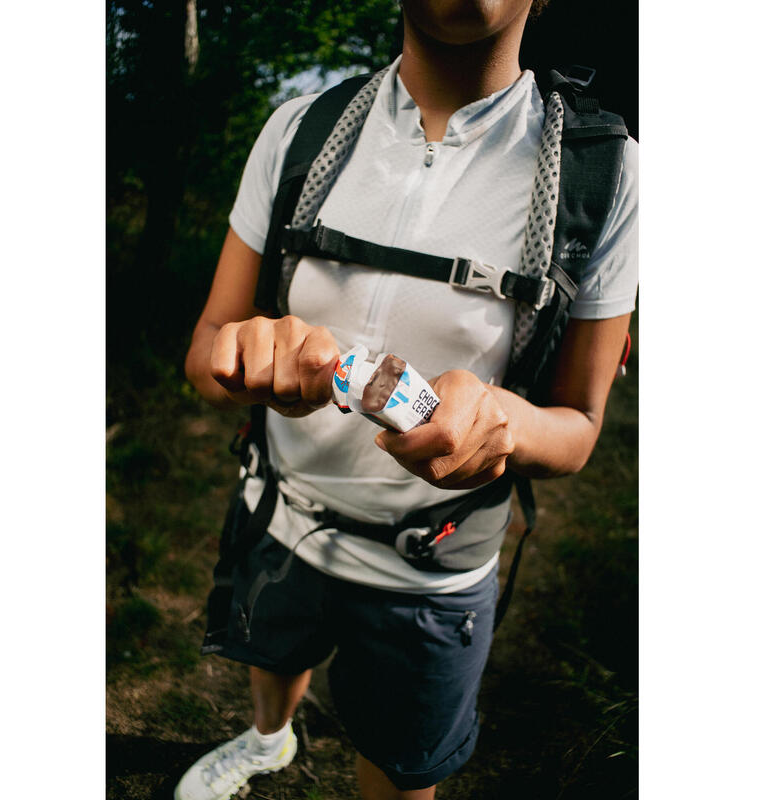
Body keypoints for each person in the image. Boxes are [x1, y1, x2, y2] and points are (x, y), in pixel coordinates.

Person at [176, 0, 638, 798]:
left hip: (430, 573)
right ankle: (267, 740)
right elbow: (207, 346)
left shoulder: (605, 169)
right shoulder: (299, 130)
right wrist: (239, 360)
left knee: (398, 772)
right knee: (273, 653)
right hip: (278, 514)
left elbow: (582, 425)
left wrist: (510, 423)